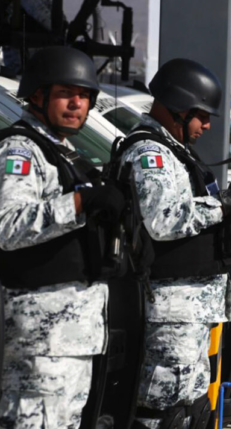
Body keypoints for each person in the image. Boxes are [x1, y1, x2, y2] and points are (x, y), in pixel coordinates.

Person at [111, 58, 231, 428]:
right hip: (170, 308)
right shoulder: (149, 153)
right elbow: (164, 220)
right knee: (162, 411)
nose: (207, 125)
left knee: (189, 408)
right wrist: (229, 203)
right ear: (177, 108)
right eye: (201, 116)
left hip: (191, 307)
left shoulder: (175, 151)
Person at [0, 46, 124, 428]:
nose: (76, 104)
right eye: (66, 93)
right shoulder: (20, 150)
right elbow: (7, 226)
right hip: (40, 341)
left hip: (73, 338)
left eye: (84, 96)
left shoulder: (65, 153)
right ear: (38, 95)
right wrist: (81, 202)